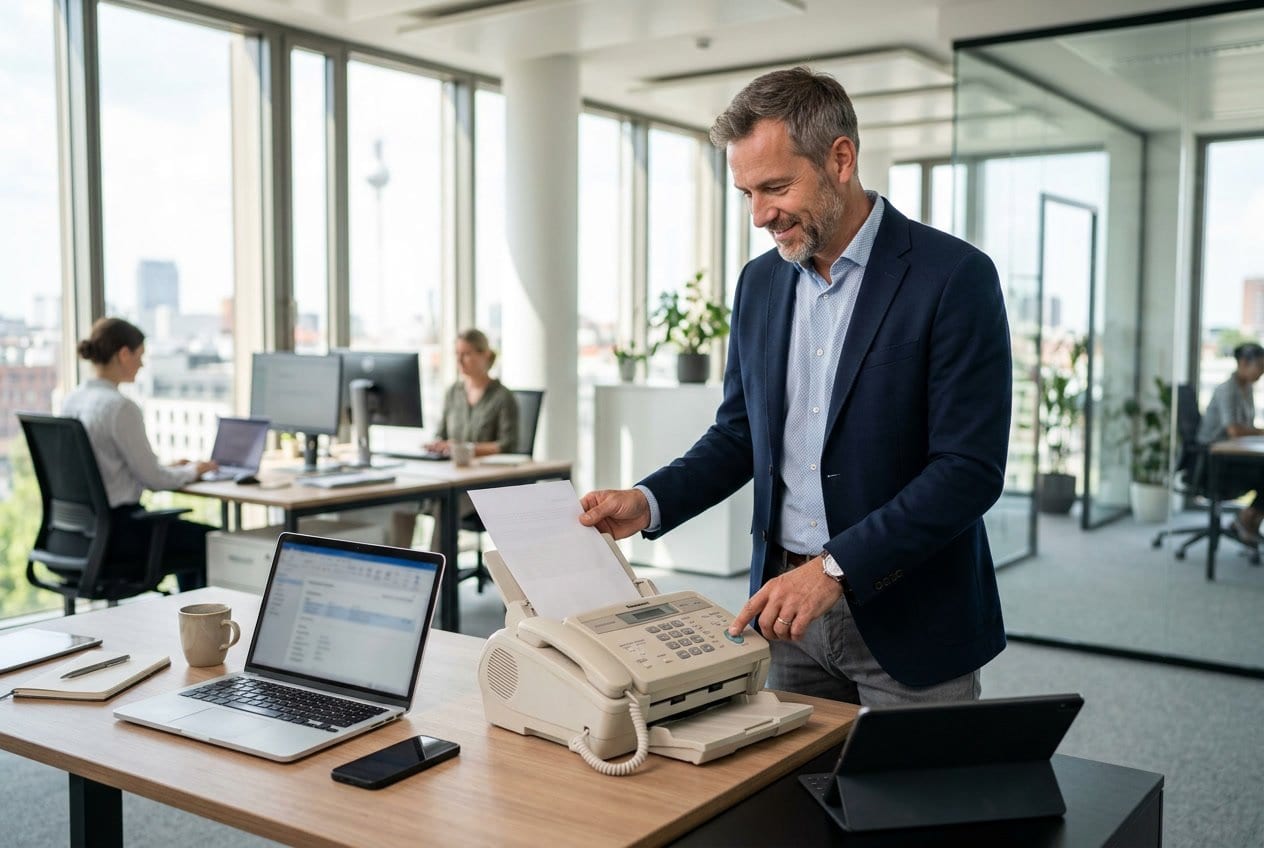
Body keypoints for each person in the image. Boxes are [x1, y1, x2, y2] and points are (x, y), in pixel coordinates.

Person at [579, 67, 1012, 707]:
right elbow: (740, 434)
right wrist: (649, 501)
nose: (759, 215)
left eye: (776, 187)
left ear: (841, 158)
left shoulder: (954, 277)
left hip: (910, 613)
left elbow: (968, 470)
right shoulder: (761, 283)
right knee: (790, 802)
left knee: (912, 804)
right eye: (746, 193)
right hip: (783, 613)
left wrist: (835, 570)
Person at [60, 317, 218, 591]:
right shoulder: (120, 407)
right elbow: (156, 481)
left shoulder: (72, 400)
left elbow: (102, 467)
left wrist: (169, 467)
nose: (142, 365)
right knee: (210, 540)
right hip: (120, 536)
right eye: (140, 356)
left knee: (185, 537)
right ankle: (196, 627)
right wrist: (195, 470)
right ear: (124, 354)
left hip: (75, 537)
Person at [408, 329, 519, 551]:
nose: (459, 360)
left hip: (485, 486)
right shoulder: (453, 393)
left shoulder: (503, 397)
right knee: (405, 500)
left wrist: (465, 449)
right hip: (452, 475)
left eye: (466, 354)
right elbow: (441, 434)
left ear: (485, 355)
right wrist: (438, 445)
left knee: (444, 504)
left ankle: (439, 580)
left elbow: (507, 445)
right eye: (457, 354)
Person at [1197, 342, 1264, 541]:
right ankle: (1247, 519)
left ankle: (1248, 520)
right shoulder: (1227, 389)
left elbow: (1245, 428)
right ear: (1243, 363)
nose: (1262, 372)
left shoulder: (1247, 389)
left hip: (1232, 455)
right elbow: (1234, 430)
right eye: (1260, 366)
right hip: (1213, 462)